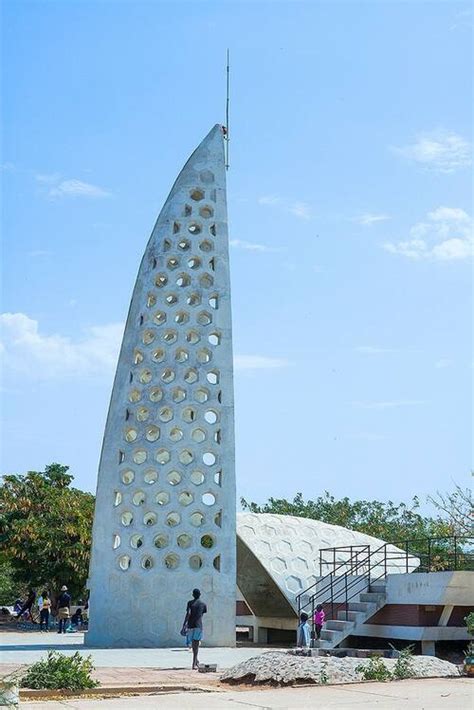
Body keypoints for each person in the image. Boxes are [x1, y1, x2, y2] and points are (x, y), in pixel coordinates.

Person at [183, 588, 207, 670]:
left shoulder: (190, 603)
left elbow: (188, 614)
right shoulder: (203, 604)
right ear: (200, 594)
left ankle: (196, 661)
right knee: (196, 644)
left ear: (193, 595)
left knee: (193, 644)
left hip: (190, 625)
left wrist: (184, 625)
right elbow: (202, 615)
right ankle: (194, 663)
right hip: (198, 626)